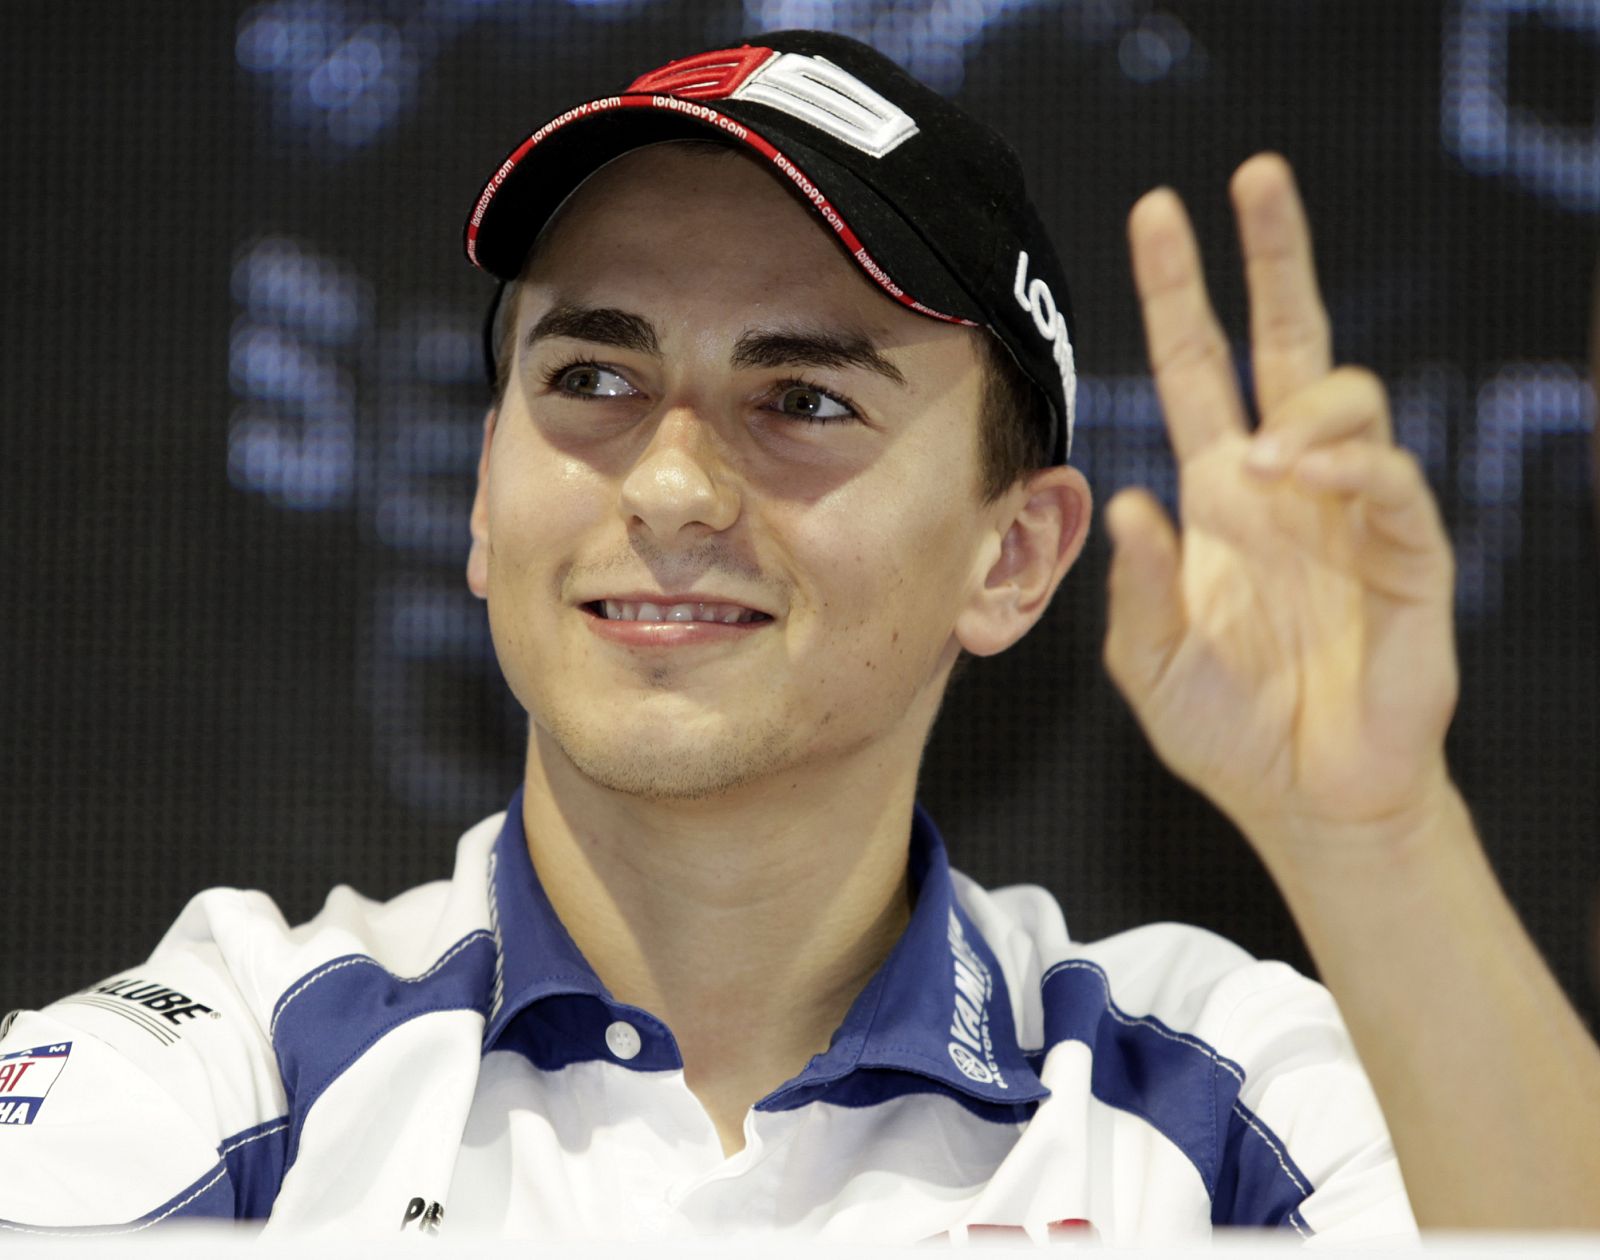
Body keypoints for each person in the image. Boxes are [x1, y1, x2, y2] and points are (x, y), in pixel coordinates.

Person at [0, 28, 1592, 1241]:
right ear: (483, 493)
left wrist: (1376, 835)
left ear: (1016, 555)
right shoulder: (240, 1073)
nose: (675, 484)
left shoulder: (1208, 1099)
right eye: (593, 381)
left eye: (805, 398)